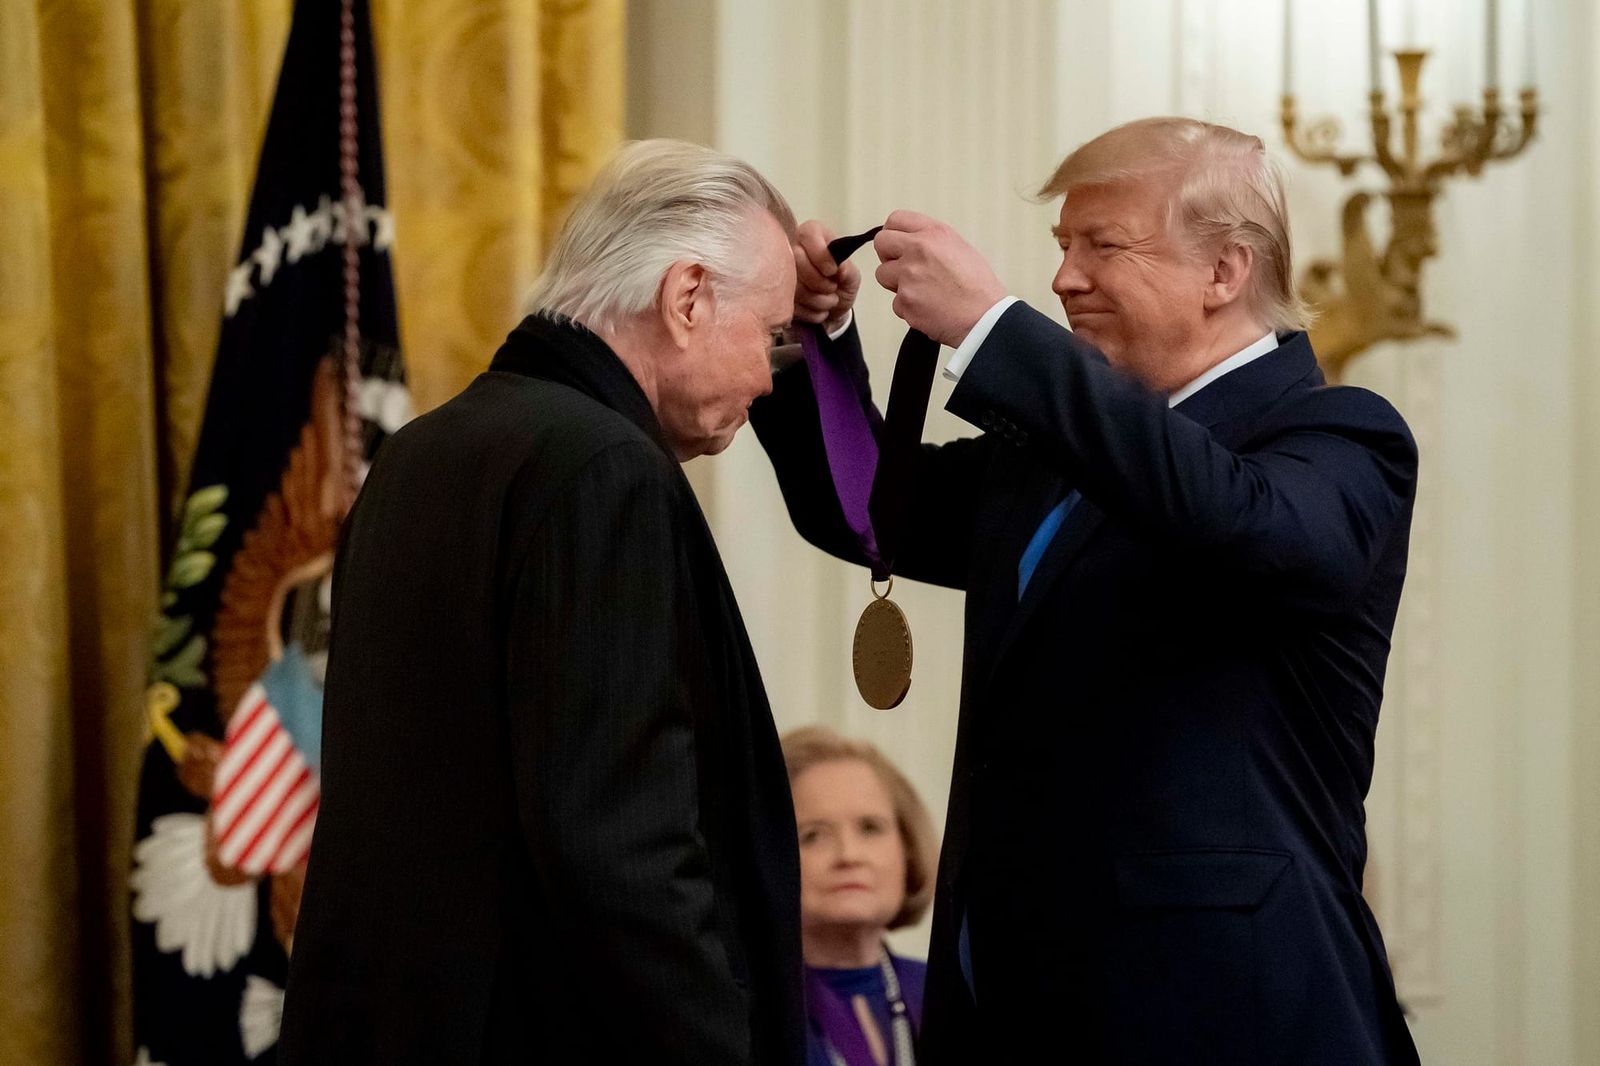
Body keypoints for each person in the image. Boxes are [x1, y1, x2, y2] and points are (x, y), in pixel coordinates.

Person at [754, 117, 1421, 1064]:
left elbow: (1237, 521)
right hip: (1016, 1000)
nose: (1064, 278)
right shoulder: (1058, 458)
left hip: (1225, 1012)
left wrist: (991, 331)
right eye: (1062, 246)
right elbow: (870, 509)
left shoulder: (1339, 436)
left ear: (1226, 272)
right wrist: (819, 336)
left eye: (1102, 245)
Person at [280, 139, 805, 1066]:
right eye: (769, 338)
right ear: (687, 298)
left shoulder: (422, 452)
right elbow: (618, 848)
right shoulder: (604, 471)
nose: (769, 381)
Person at [782, 726, 937, 1066]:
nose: (849, 855)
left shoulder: (948, 993)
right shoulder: (742, 1008)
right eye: (813, 836)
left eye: (870, 827)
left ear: (907, 848)